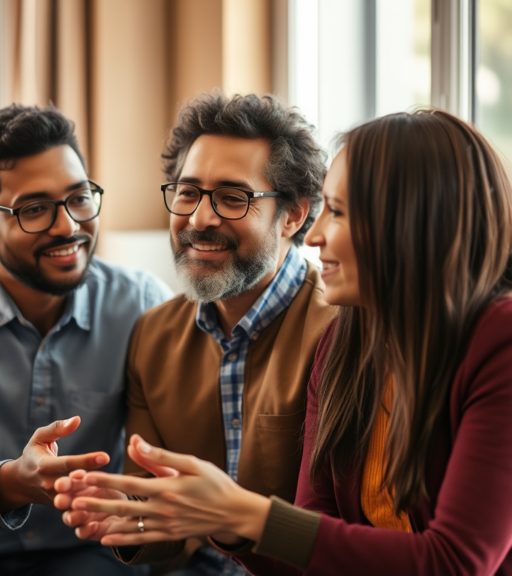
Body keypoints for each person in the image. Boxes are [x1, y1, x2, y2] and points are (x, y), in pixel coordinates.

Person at [56, 109, 512, 575]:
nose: (316, 235)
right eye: (188, 193)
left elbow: (454, 562)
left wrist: (238, 513)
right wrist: (158, 516)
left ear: (410, 221)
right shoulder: (348, 341)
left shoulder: (494, 341)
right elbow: (313, 550)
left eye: (336, 212)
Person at [55, 93, 335, 575]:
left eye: (232, 197)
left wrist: (227, 523)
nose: (200, 219)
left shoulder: (341, 330)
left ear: (292, 215)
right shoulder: (155, 335)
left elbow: (339, 531)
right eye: (187, 193)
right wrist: (127, 521)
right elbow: (163, 530)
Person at [0, 103, 172, 575]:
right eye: (34, 209)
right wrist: (9, 484)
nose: (68, 226)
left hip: (97, 552)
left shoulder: (141, 305)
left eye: (79, 198)